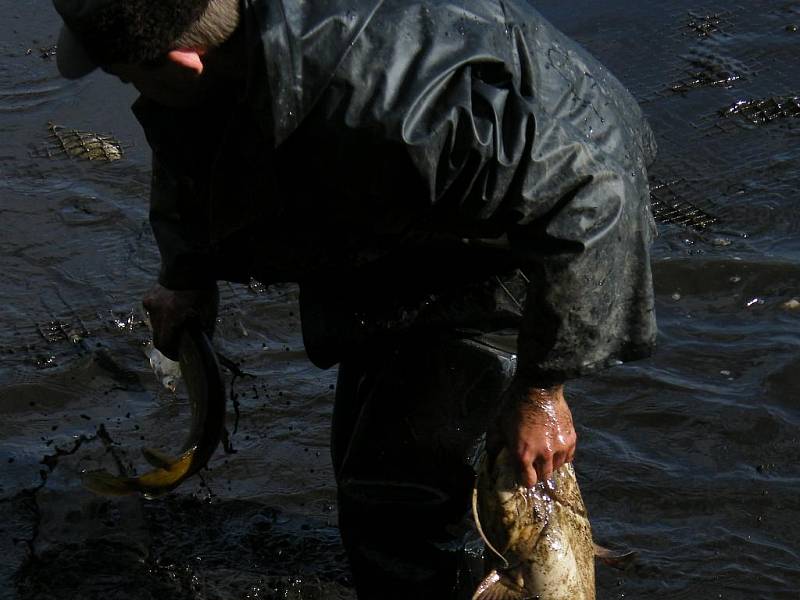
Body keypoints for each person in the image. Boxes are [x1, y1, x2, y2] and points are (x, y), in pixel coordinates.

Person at [52, 0, 657, 597]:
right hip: (408, 217)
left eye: (129, 74)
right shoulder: (226, 44)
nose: (132, 88)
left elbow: (597, 191)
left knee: (395, 500)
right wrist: (186, 272)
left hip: (518, 227)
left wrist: (542, 391)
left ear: (186, 58)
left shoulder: (398, 102)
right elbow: (186, 126)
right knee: (373, 458)